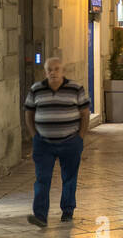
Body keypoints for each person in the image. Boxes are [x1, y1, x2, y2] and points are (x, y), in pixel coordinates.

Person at [24, 57, 90, 227]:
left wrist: (80, 137)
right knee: (42, 178)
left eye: (56, 69)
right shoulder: (36, 89)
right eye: (49, 70)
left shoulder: (76, 88)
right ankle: (40, 216)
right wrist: (34, 136)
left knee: (69, 177)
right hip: (43, 143)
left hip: (70, 142)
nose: (53, 72)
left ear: (63, 71)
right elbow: (29, 114)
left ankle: (67, 211)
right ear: (45, 72)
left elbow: (85, 113)